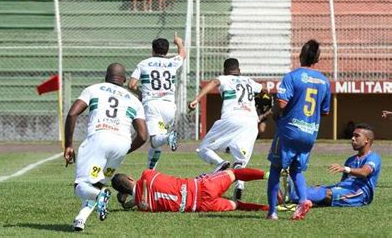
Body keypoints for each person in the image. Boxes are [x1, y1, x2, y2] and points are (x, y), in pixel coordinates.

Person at [64, 63, 148, 231]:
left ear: (106, 76)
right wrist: (125, 150)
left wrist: (68, 145)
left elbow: (73, 113)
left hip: (99, 138)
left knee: (81, 186)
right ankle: (80, 219)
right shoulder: (134, 100)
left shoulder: (94, 89)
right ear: (124, 80)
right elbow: (143, 136)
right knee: (96, 184)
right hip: (122, 143)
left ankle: (100, 195)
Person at [266, 39, 331, 220]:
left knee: (275, 169)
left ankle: (272, 212)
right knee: (296, 170)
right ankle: (303, 201)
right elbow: (324, 111)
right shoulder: (324, 81)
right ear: (317, 59)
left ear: (300, 55)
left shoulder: (292, 76)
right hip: (309, 133)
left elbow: (281, 102)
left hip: (289, 131)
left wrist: (275, 114)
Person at [189, 58, 263, 201]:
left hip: (232, 118)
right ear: (239, 71)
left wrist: (197, 99)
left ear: (224, 70)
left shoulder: (224, 78)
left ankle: (220, 163)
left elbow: (214, 82)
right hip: (251, 122)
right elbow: (263, 91)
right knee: (240, 157)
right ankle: (240, 185)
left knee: (204, 149)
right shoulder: (249, 81)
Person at [279, 123, 381, 208]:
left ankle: (293, 198)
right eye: (353, 135)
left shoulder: (373, 157)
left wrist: (345, 169)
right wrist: (334, 187)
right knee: (316, 189)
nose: (352, 138)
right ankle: (295, 197)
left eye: (357, 136)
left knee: (326, 193)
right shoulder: (351, 160)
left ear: (367, 140)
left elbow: (364, 172)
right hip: (345, 189)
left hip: (359, 193)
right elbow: (343, 183)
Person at [128, 33, 186, 170]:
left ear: (152, 50)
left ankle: (169, 137)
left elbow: (131, 85)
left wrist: (140, 94)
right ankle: (150, 170)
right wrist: (179, 42)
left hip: (152, 105)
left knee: (155, 140)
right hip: (169, 106)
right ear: (166, 51)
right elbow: (183, 54)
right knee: (157, 143)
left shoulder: (144, 64)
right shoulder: (172, 62)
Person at [112, 168, 269, 213]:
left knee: (237, 205)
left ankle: (271, 209)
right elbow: (145, 183)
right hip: (201, 186)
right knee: (234, 173)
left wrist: (130, 201)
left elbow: (140, 197)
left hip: (201, 206)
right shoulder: (147, 175)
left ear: (124, 193)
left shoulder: (143, 207)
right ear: (131, 178)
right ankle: (268, 175)